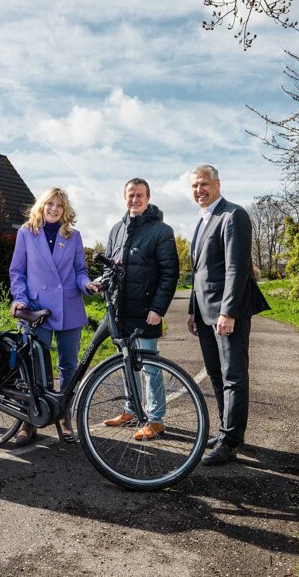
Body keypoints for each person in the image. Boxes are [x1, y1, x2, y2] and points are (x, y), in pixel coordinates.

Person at [187, 164, 270, 466]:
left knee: (233, 376)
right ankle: (227, 431)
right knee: (216, 374)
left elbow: (237, 267)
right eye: (195, 186)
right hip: (204, 313)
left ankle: (230, 442)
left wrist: (229, 312)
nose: (199, 190)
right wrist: (193, 310)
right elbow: (200, 272)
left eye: (204, 184)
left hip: (226, 313)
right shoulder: (202, 220)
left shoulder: (233, 215)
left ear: (217, 184)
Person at [8, 187, 94, 446]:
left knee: (69, 366)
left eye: (59, 205)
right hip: (37, 308)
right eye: (50, 204)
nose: (54, 209)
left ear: (65, 210)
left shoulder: (73, 236)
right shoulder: (26, 233)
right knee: (34, 367)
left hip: (69, 307)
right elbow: (17, 271)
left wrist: (87, 285)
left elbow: (80, 270)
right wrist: (20, 298)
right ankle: (29, 420)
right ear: (42, 206)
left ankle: (64, 416)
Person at [99, 178, 179, 441]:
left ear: (148, 198)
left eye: (140, 195)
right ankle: (131, 410)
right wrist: (103, 285)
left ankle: (156, 420)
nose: (135, 199)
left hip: (146, 311)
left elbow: (169, 273)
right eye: (131, 195)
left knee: (150, 367)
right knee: (127, 364)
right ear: (125, 197)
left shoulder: (161, 230)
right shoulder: (116, 229)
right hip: (120, 310)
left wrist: (158, 308)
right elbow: (109, 267)